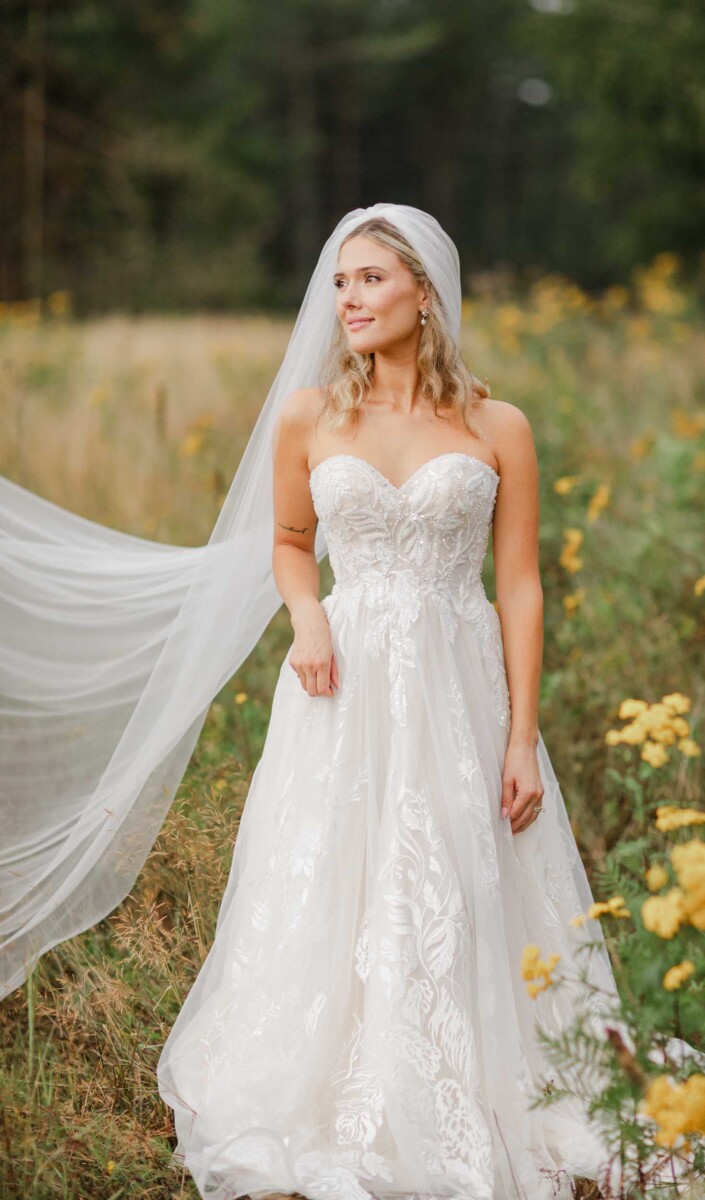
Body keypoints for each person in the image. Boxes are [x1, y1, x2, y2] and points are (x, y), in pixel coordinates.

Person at [155, 210, 625, 1200]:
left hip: (459, 692)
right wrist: (307, 617)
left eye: (369, 280)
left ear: (424, 292)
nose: (348, 301)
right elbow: (288, 541)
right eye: (338, 284)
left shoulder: (499, 427)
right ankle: (335, 1082)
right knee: (337, 873)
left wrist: (521, 737)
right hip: (344, 685)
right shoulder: (311, 416)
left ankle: (474, 1079)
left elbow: (520, 585)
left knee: (457, 875)